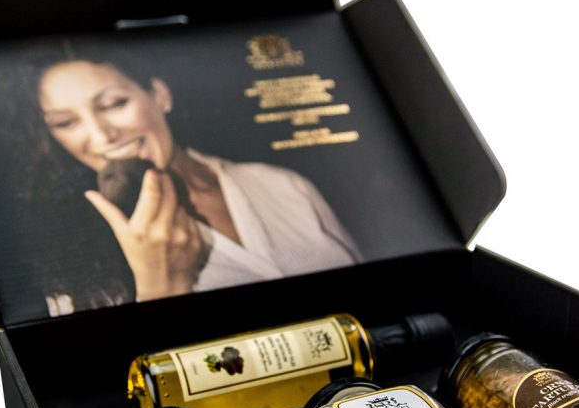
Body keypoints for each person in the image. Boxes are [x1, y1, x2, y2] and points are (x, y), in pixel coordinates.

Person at [37, 57, 360, 313]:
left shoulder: (281, 185)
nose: (101, 135)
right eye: (66, 122)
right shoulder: (66, 259)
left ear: (160, 96)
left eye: (114, 104)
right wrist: (161, 289)